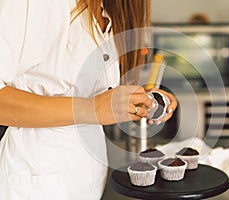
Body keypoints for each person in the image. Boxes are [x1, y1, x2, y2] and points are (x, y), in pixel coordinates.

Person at [0, 0, 177, 199]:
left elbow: (94, 97)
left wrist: (138, 102)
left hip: (88, 180)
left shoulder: (106, 12)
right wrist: (92, 108)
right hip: (37, 182)